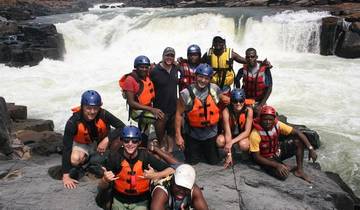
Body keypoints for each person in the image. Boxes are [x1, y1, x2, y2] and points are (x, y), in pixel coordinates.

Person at [99, 125, 174, 210]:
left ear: (139, 142)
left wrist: (156, 175)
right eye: (126, 140)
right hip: (118, 201)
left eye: (134, 141)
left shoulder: (146, 156)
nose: (130, 144)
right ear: (122, 141)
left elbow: (172, 169)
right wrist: (105, 180)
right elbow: (101, 186)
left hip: (141, 202)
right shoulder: (114, 158)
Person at [62, 90, 125, 189]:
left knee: (121, 137)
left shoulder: (104, 114)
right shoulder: (73, 122)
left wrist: (107, 139)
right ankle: (90, 161)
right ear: (82, 106)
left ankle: (110, 162)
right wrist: (66, 176)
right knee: (74, 160)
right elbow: (66, 147)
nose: (92, 112)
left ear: (100, 106)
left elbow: (122, 127)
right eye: (88, 108)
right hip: (84, 143)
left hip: (102, 141)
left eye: (95, 108)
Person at [249, 105, 318, 182]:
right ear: (261, 119)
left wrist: (310, 149)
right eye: (265, 119)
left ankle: (299, 171)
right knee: (283, 175)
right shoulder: (255, 134)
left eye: (270, 120)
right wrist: (277, 165)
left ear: (274, 119)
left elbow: (298, 133)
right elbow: (256, 157)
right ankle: (286, 167)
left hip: (276, 152)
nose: (268, 122)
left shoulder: (278, 124)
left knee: (298, 142)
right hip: (265, 158)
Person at [175, 64, 222, 165]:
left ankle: (207, 150)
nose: (203, 80)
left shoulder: (215, 89)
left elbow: (221, 107)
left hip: (211, 133)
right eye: (200, 77)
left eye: (206, 78)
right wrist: (178, 136)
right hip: (193, 134)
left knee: (214, 162)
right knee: (192, 162)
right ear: (195, 76)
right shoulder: (185, 93)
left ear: (210, 79)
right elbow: (178, 114)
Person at [119, 55, 165, 141]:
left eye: (146, 67)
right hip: (136, 111)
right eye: (141, 67)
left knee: (145, 133)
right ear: (136, 67)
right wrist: (151, 109)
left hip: (147, 108)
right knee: (160, 118)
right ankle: (161, 143)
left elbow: (155, 66)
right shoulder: (130, 80)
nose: (144, 69)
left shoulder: (146, 75)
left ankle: (144, 143)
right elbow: (131, 103)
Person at [150, 47, 178, 152]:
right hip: (160, 109)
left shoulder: (176, 68)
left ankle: (170, 151)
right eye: (167, 55)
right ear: (163, 56)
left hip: (173, 108)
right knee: (160, 134)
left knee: (171, 133)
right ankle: (161, 150)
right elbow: (143, 81)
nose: (169, 58)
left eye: (171, 55)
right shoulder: (154, 71)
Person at [217, 88, 253, 168]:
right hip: (231, 133)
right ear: (231, 101)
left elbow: (247, 131)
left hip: (242, 135)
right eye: (235, 101)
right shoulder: (226, 111)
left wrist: (231, 142)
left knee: (244, 145)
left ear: (244, 101)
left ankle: (245, 153)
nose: (238, 103)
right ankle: (230, 151)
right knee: (219, 141)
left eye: (241, 101)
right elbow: (227, 132)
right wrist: (229, 154)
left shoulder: (249, 111)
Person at [234, 48, 272, 114]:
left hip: (260, 101)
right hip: (246, 100)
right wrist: (239, 97)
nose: (250, 59)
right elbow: (237, 81)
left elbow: (269, 88)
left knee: (262, 116)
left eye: (252, 57)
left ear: (256, 57)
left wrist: (260, 105)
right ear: (245, 58)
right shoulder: (242, 70)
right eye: (248, 57)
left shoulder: (265, 70)